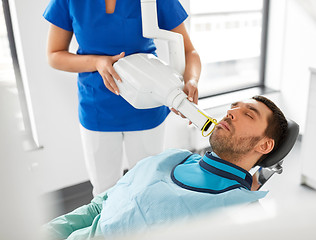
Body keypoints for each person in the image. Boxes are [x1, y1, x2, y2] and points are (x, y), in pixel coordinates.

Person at [42, 96, 288, 240]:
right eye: (234, 106)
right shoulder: (173, 157)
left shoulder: (240, 212)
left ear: (265, 145)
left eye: (249, 114)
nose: (231, 112)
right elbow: (99, 206)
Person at [43, 0, 201, 196]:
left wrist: (191, 81)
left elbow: (189, 51)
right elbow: (54, 55)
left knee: (147, 188)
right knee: (104, 192)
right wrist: (98, 62)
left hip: (147, 104)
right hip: (97, 107)